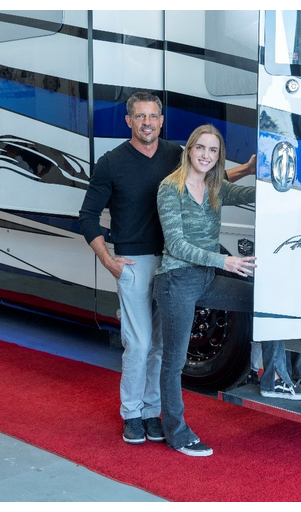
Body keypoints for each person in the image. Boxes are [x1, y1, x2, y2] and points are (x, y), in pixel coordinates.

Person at [78, 93, 255, 445]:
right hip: (135, 262)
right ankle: (132, 414)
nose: (147, 122)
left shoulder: (175, 153)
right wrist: (109, 261)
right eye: (140, 116)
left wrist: (247, 171)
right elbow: (87, 217)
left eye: (153, 116)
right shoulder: (111, 162)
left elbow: (207, 178)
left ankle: (151, 412)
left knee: (160, 347)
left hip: (174, 264)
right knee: (139, 344)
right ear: (129, 121)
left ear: (161, 121)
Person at [154, 124, 301, 457]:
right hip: (176, 281)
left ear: (219, 156)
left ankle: (276, 377)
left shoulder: (215, 186)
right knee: (173, 362)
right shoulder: (170, 188)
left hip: (205, 279)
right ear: (189, 150)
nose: (206, 155)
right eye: (200, 148)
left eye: (213, 150)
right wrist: (225, 261)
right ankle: (176, 433)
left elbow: (253, 195)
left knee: (270, 301)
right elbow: (176, 245)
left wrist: (279, 178)